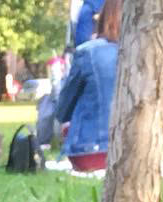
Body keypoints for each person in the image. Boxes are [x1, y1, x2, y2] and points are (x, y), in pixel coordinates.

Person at [56, 0, 120, 171]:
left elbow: (63, 111)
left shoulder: (88, 51)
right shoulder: (147, 57)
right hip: (134, 152)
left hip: (91, 152)